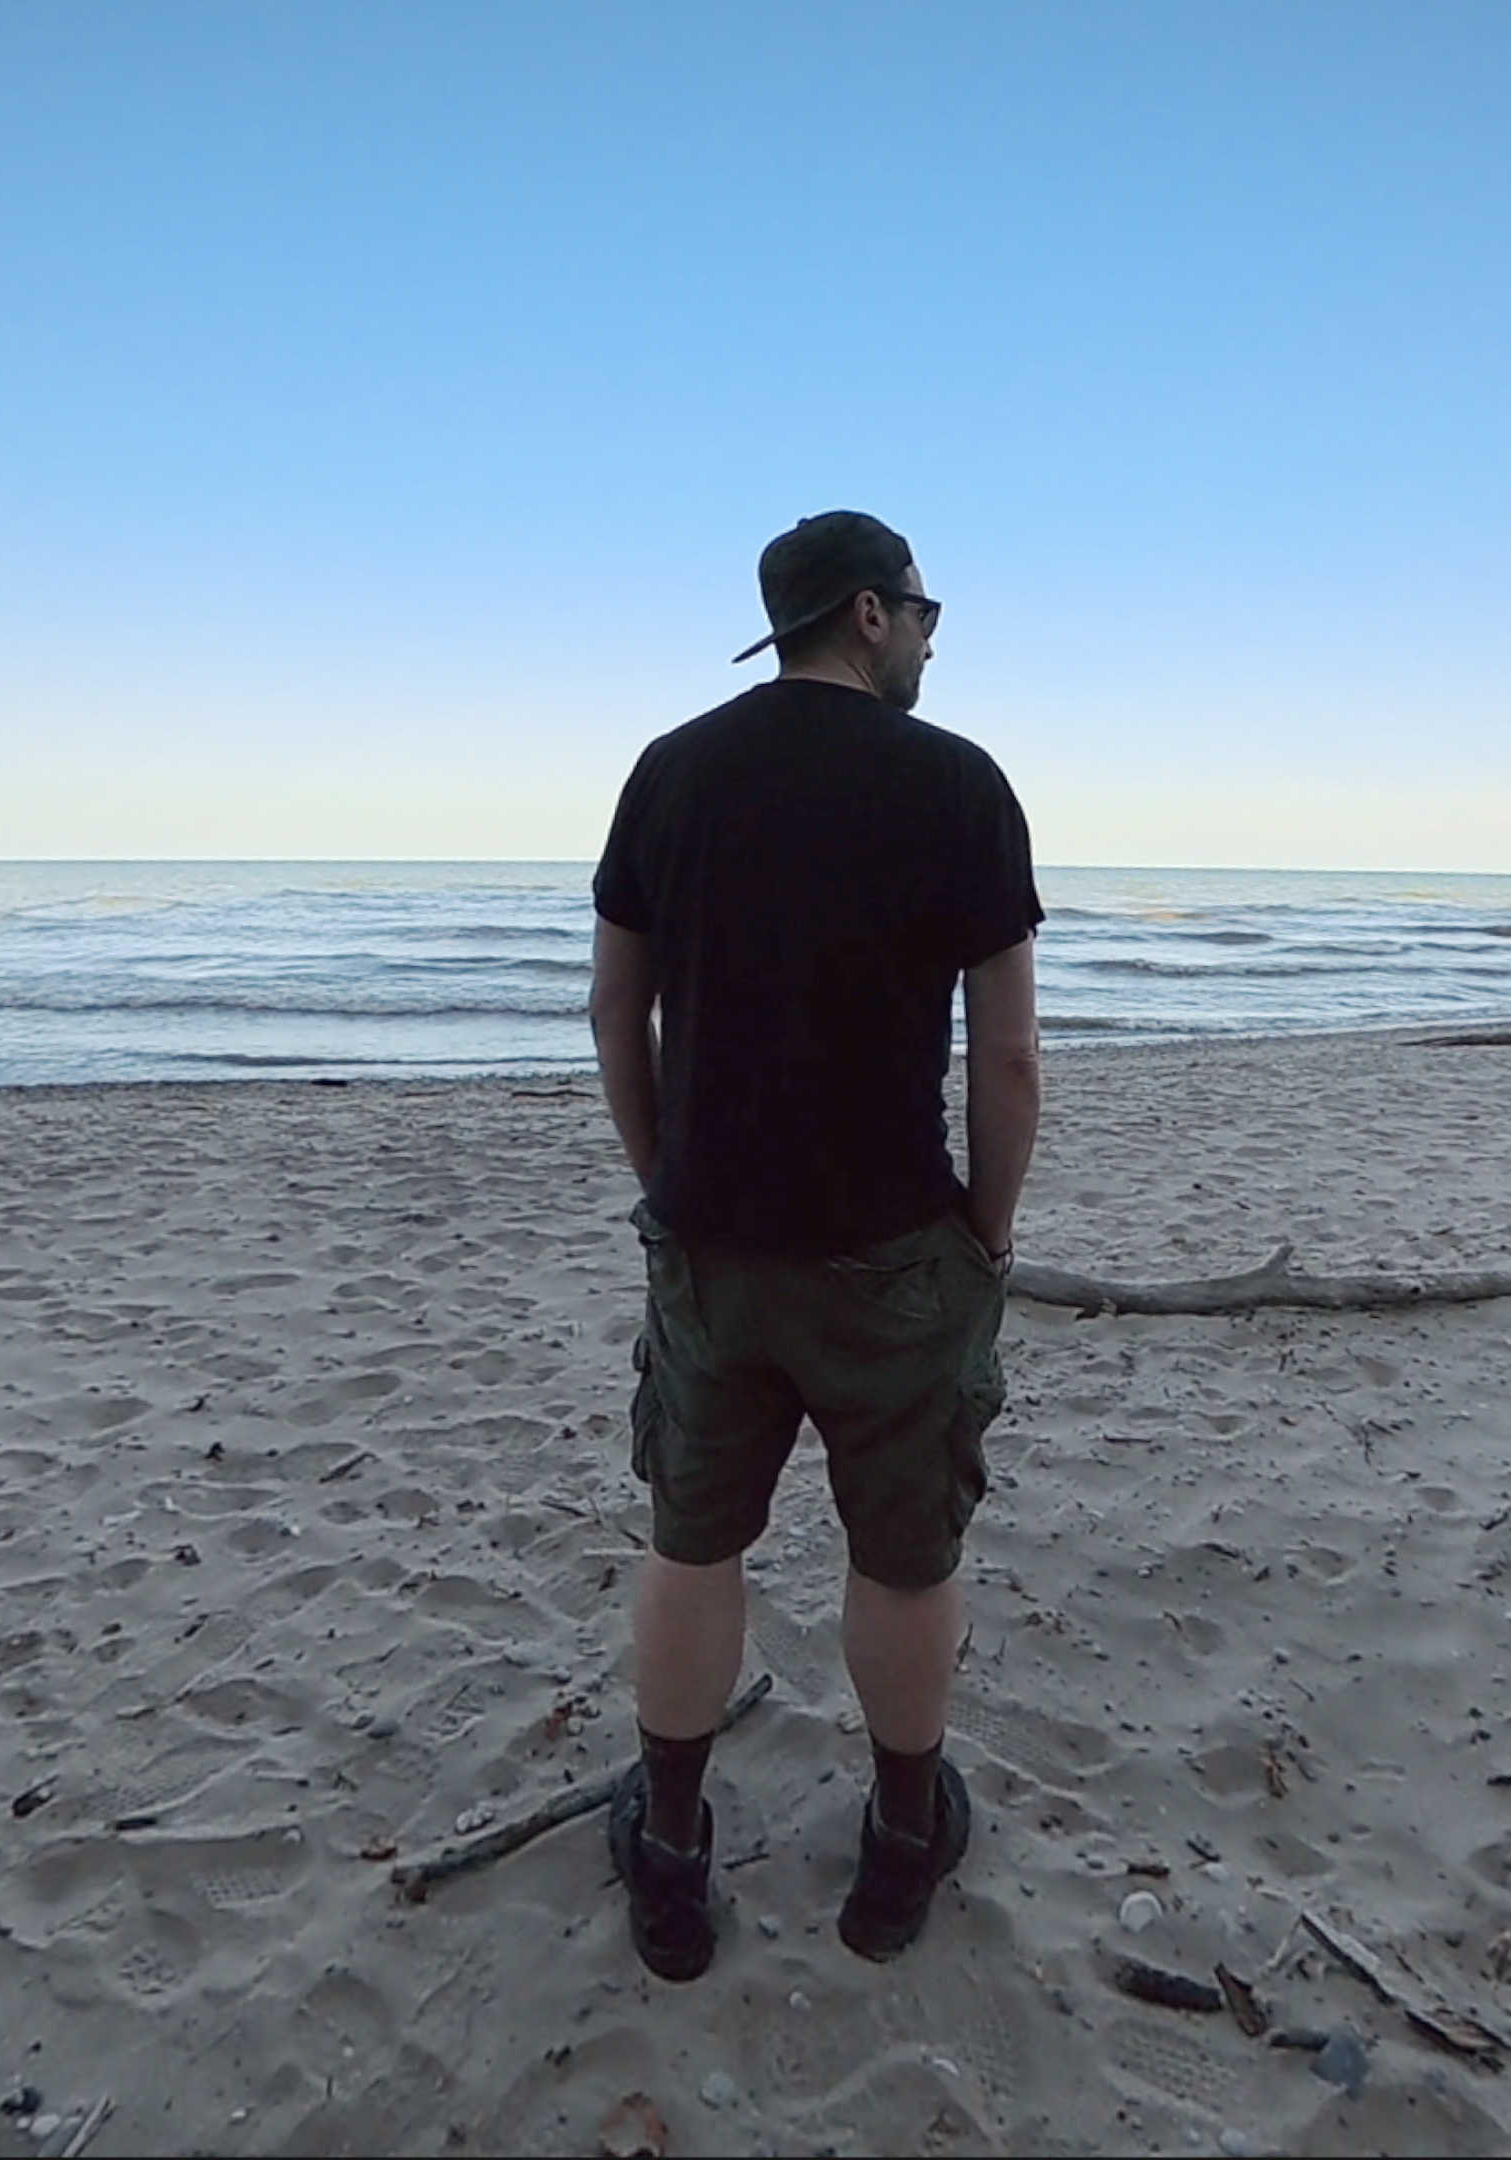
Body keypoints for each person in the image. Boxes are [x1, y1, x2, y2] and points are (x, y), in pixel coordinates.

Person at [587, 509, 1042, 1980]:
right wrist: (986, 1229)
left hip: (714, 1249)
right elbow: (1010, 1061)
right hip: (895, 1249)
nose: (929, 639)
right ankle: (902, 1845)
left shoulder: (672, 773)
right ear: (864, 612)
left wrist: (671, 1178)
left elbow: (617, 1013)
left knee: (693, 1542)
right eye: (921, 613)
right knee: (904, 1562)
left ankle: (669, 1850)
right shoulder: (960, 783)